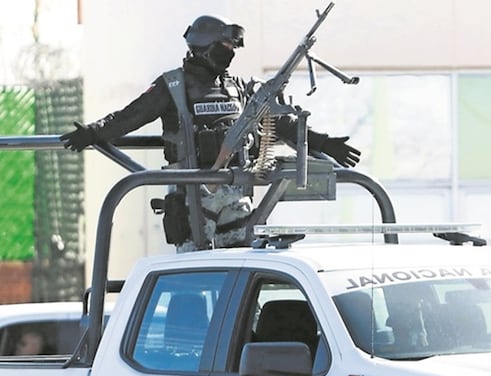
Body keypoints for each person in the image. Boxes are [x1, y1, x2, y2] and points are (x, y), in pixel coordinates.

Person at [60, 14, 361, 252]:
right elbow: (130, 117)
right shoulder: (173, 85)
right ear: (204, 47)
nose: (230, 52)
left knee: (241, 271)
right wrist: (93, 133)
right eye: (225, 47)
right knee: (194, 277)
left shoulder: (239, 87)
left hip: (237, 195)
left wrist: (322, 142)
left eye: (232, 47)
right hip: (193, 197)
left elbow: (279, 124)